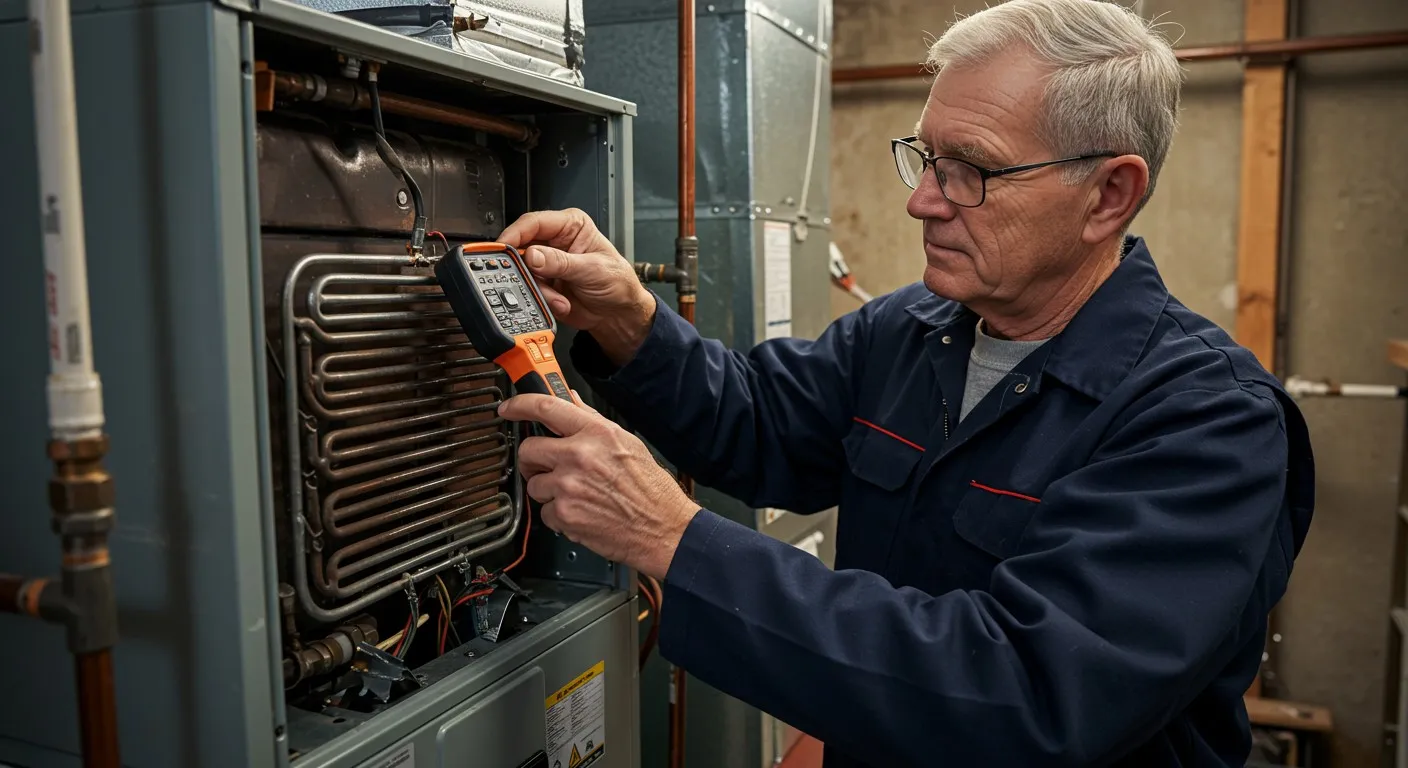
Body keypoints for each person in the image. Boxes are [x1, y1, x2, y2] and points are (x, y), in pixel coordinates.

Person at [493, 0, 1315, 764]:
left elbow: (1027, 693)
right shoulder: (913, 330)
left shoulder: (1206, 422)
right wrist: (631, 321)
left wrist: (674, 538)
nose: (923, 201)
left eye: (972, 170)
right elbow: (755, 421)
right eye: (926, 157)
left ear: (1109, 193)